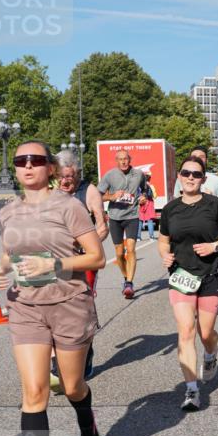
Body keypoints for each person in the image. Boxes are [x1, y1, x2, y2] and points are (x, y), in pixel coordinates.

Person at [0, 140, 106, 436]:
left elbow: (97, 257)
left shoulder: (69, 206)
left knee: (72, 386)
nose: (27, 165)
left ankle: (86, 419)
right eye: (20, 161)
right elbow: (9, 253)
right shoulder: (9, 212)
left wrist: (53, 264)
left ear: (51, 168)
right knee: (34, 392)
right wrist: (2, 269)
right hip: (26, 307)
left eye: (36, 160)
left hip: (69, 304)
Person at [159, 156, 218, 411]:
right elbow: (163, 239)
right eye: (186, 173)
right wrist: (164, 254)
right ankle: (191, 390)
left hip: (210, 276)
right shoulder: (171, 209)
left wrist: (214, 246)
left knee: (205, 333)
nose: (191, 177)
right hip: (180, 276)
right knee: (186, 331)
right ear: (179, 177)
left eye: (196, 174)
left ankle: (211, 353)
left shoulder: (215, 205)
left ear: (203, 179)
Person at [56, 150, 108, 382]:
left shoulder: (88, 191)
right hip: (54, 258)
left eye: (70, 177)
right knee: (53, 305)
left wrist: (86, 244)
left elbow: (102, 226)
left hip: (83, 257)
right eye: (61, 176)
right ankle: (58, 359)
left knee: (81, 308)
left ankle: (85, 353)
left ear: (77, 174)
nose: (65, 181)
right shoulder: (49, 192)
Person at [98, 149, 145, 298]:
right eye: (120, 159)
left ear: (129, 160)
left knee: (130, 249)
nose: (123, 162)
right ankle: (126, 278)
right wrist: (112, 196)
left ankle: (130, 283)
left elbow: (144, 189)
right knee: (119, 253)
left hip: (132, 216)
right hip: (115, 217)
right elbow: (97, 196)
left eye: (126, 159)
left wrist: (143, 197)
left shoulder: (138, 174)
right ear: (116, 161)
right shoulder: (110, 175)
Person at [138, 175, 157, 240]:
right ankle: (151, 236)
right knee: (150, 220)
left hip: (141, 203)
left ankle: (138, 237)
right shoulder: (151, 186)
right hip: (149, 203)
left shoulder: (139, 186)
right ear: (149, 179)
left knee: (140, 220)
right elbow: (155, 196)